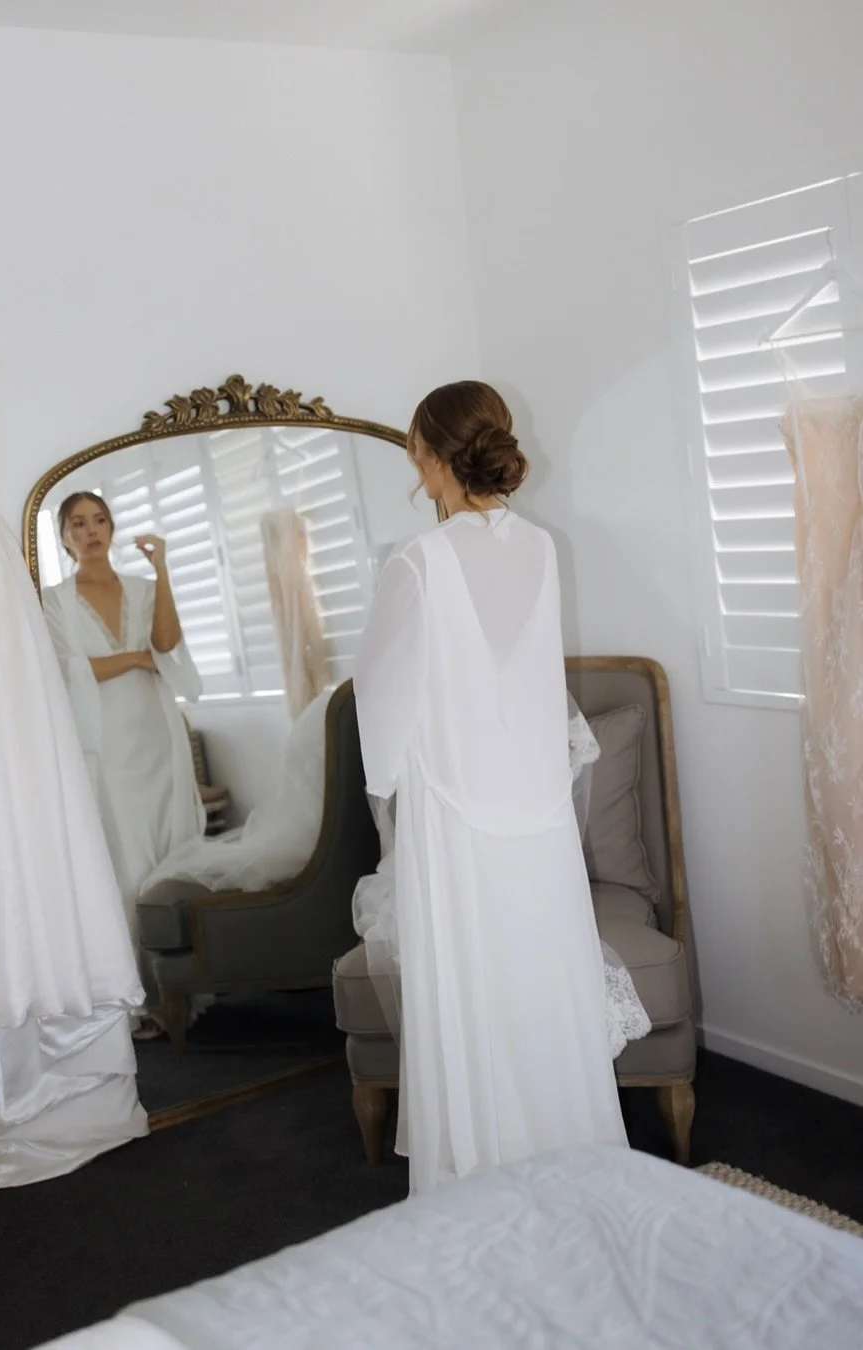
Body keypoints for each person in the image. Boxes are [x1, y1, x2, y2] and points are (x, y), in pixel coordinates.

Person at [353, 380, 630, 1195]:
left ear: (433, 457)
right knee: (537, 969)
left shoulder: (420, 559)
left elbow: (380, 683)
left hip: (455, 798)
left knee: (471, 979)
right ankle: (563, 1146)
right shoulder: (542, 547)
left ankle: (480, 1166)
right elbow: (532, 674)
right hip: (534, 796)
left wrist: (389, 772)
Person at [43, 491, 206, 1036]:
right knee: (125, 864)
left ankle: (181, 987)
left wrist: (161, 570)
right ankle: (137, 996)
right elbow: (67, 669)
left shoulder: (140, 587)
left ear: (112, 527)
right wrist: (138, 659)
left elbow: (166, 641)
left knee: (173, 850)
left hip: (158, 739)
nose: (90, 532)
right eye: (77, 524)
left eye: (99, 520)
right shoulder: (55, 601)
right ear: (64, 536)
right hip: (106, 747)